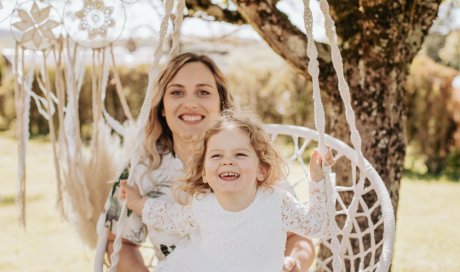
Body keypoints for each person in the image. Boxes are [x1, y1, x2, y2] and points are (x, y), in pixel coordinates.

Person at [104, 52, 316, 271]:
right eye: (177, 92)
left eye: (203, 92)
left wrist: (294, 264)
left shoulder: (250, 161)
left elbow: (298, 236)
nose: (190, 103)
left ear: (221, 104)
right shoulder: (141, 169)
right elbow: (119, 242)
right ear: (162, 107)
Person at [119, 111, 333, 272]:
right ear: (204, 173)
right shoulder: (203, 204)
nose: (227, 161)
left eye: (240, 154)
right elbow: (171, 217)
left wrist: (318, 179)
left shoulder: (275, 202)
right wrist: (138, 203)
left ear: (261, 169)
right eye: (216, 156)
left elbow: (316, 225)